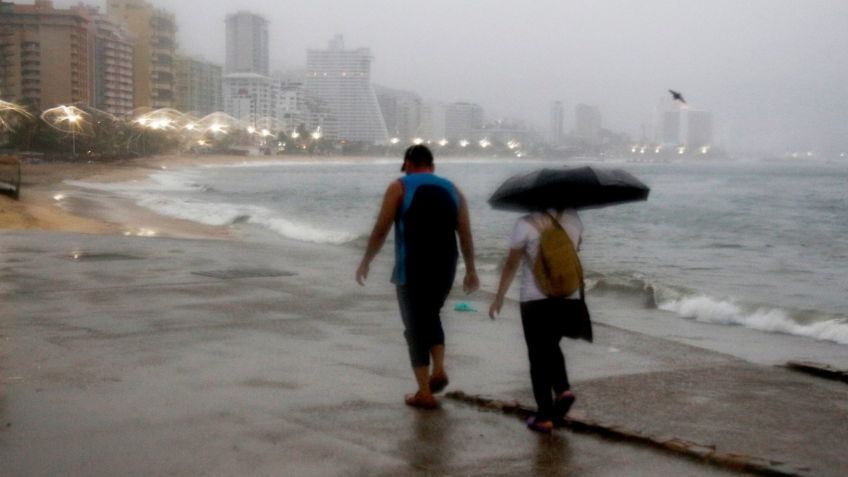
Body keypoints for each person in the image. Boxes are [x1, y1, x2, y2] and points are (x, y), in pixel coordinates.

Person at [356, 144, 479, 409]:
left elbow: (381, 229)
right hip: (446, 266)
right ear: (432, 167)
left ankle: (424, 392)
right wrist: (471, 270)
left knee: (414, 326)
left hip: (411, 267)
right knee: (431, 314)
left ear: (408, 164)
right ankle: (439, 369)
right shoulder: (453, 190)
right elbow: (465, 234)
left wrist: (367, 259)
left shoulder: (399, 187)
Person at [489, 209, 584, 433]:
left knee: (537, 355)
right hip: (569, 296)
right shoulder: (573, 219)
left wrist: (499, 297)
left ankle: (545, 417)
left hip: (535, 298)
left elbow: (511, 264)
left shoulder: (526, 222)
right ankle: (563, 391)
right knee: (551, 345)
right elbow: (575, 251)